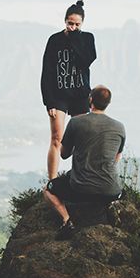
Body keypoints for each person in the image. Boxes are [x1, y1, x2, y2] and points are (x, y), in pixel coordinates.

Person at [43, 85, 126, 239]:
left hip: (81, 189)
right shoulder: (120, 127)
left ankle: (67, 221)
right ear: (108, 103)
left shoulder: (76, 122)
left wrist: (80, 147)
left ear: (90, 100)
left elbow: (64, 154)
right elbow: (117, 157)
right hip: (112, 192)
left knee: (48, 190)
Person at [41, 0, 97, 180]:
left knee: (80, 139)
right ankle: (52, 180)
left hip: (80, 95)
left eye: (77, 24)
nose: (73, 27)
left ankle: (79, 177)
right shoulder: (54, 40)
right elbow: (47, 71)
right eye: (70, 23)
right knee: (56, 138)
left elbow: (85, 61)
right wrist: (48, 101)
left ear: (82, 24)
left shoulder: (87, 39)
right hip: (58, 96)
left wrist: (75, 40)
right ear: (65, 21)